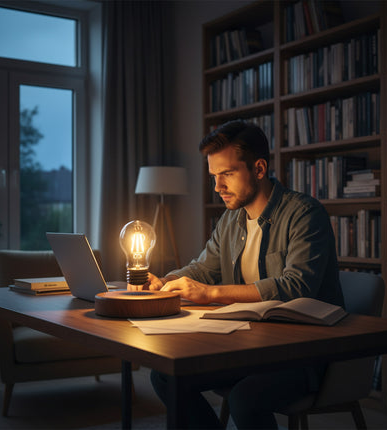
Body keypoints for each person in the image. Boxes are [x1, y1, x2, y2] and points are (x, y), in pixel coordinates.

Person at [141, 120, 344, 429]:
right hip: (249, 347)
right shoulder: (231, 219)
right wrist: (164, 283)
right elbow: (203, 269)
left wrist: (210, 294)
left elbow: (296, 287)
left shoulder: (305, 214)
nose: (218, 187)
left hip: (303, 355)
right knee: (167, 376)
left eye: (227, 174)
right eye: (214, 176)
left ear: (259, 169)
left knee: (245, 398)